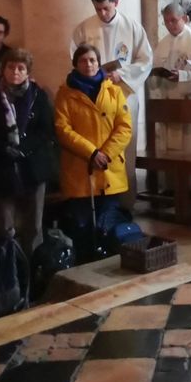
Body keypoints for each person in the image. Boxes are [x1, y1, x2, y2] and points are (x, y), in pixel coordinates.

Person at [0, 47, 59, 256]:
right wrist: (4, 148)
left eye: (21, 68)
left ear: (28, 72)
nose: (16, 72)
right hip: (1, 167)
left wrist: (24, 149)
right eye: (11, 67)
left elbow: (46, 130)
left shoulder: (37, 95)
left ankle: (33, 268)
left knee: (34, 226)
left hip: (32, 166)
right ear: (3, 69)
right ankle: (10, 270)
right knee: (4, 228)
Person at [70, 0, 152, 198]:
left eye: (106, 8)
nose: (102, 13)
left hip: (122, 94)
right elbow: (74, 59)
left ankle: (125, 203)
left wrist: (122, 74)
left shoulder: (132, 27)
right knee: (98, 145)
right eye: (98, 9)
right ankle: (99, 200)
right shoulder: (83, 29)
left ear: (116, 3)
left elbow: (145, 60)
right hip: (93, 97)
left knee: (125, 147)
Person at [54, 44, 133, 257]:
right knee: (82, 224)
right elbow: (63, 129)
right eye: (83, 61)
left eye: (92, 60)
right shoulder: (65, 94)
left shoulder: (114, 91)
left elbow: (124, 127)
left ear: (99, 63)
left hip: (108, 166)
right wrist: (91, 153)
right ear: (75, 64)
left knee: (108, 221)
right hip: (81, 168)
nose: (88, 64)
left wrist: (105, 153)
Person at [148, 2, 191, 161]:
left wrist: (182, 76)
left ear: (184, 18)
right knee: (170, 150)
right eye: (166, 21)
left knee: (190, 147)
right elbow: (155, 66)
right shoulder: (163, 43)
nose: (169, 25)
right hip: (169, 101)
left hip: (188, 100)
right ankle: (172, 184)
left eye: (173, 20)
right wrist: (156, 75)